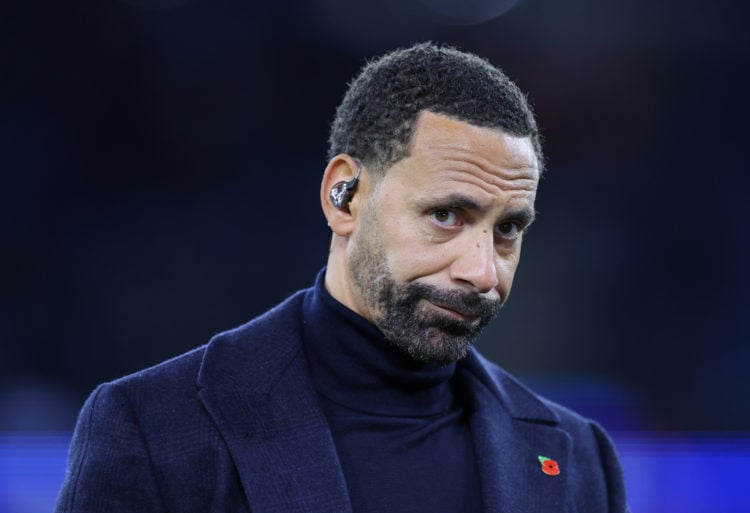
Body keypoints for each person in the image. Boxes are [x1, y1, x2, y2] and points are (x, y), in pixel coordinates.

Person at [56, 42, 628, 513]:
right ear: (345, 197)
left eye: (507, 230)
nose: (481, 271)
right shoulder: (154, 429)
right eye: (445, 215)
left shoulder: (579, 460)